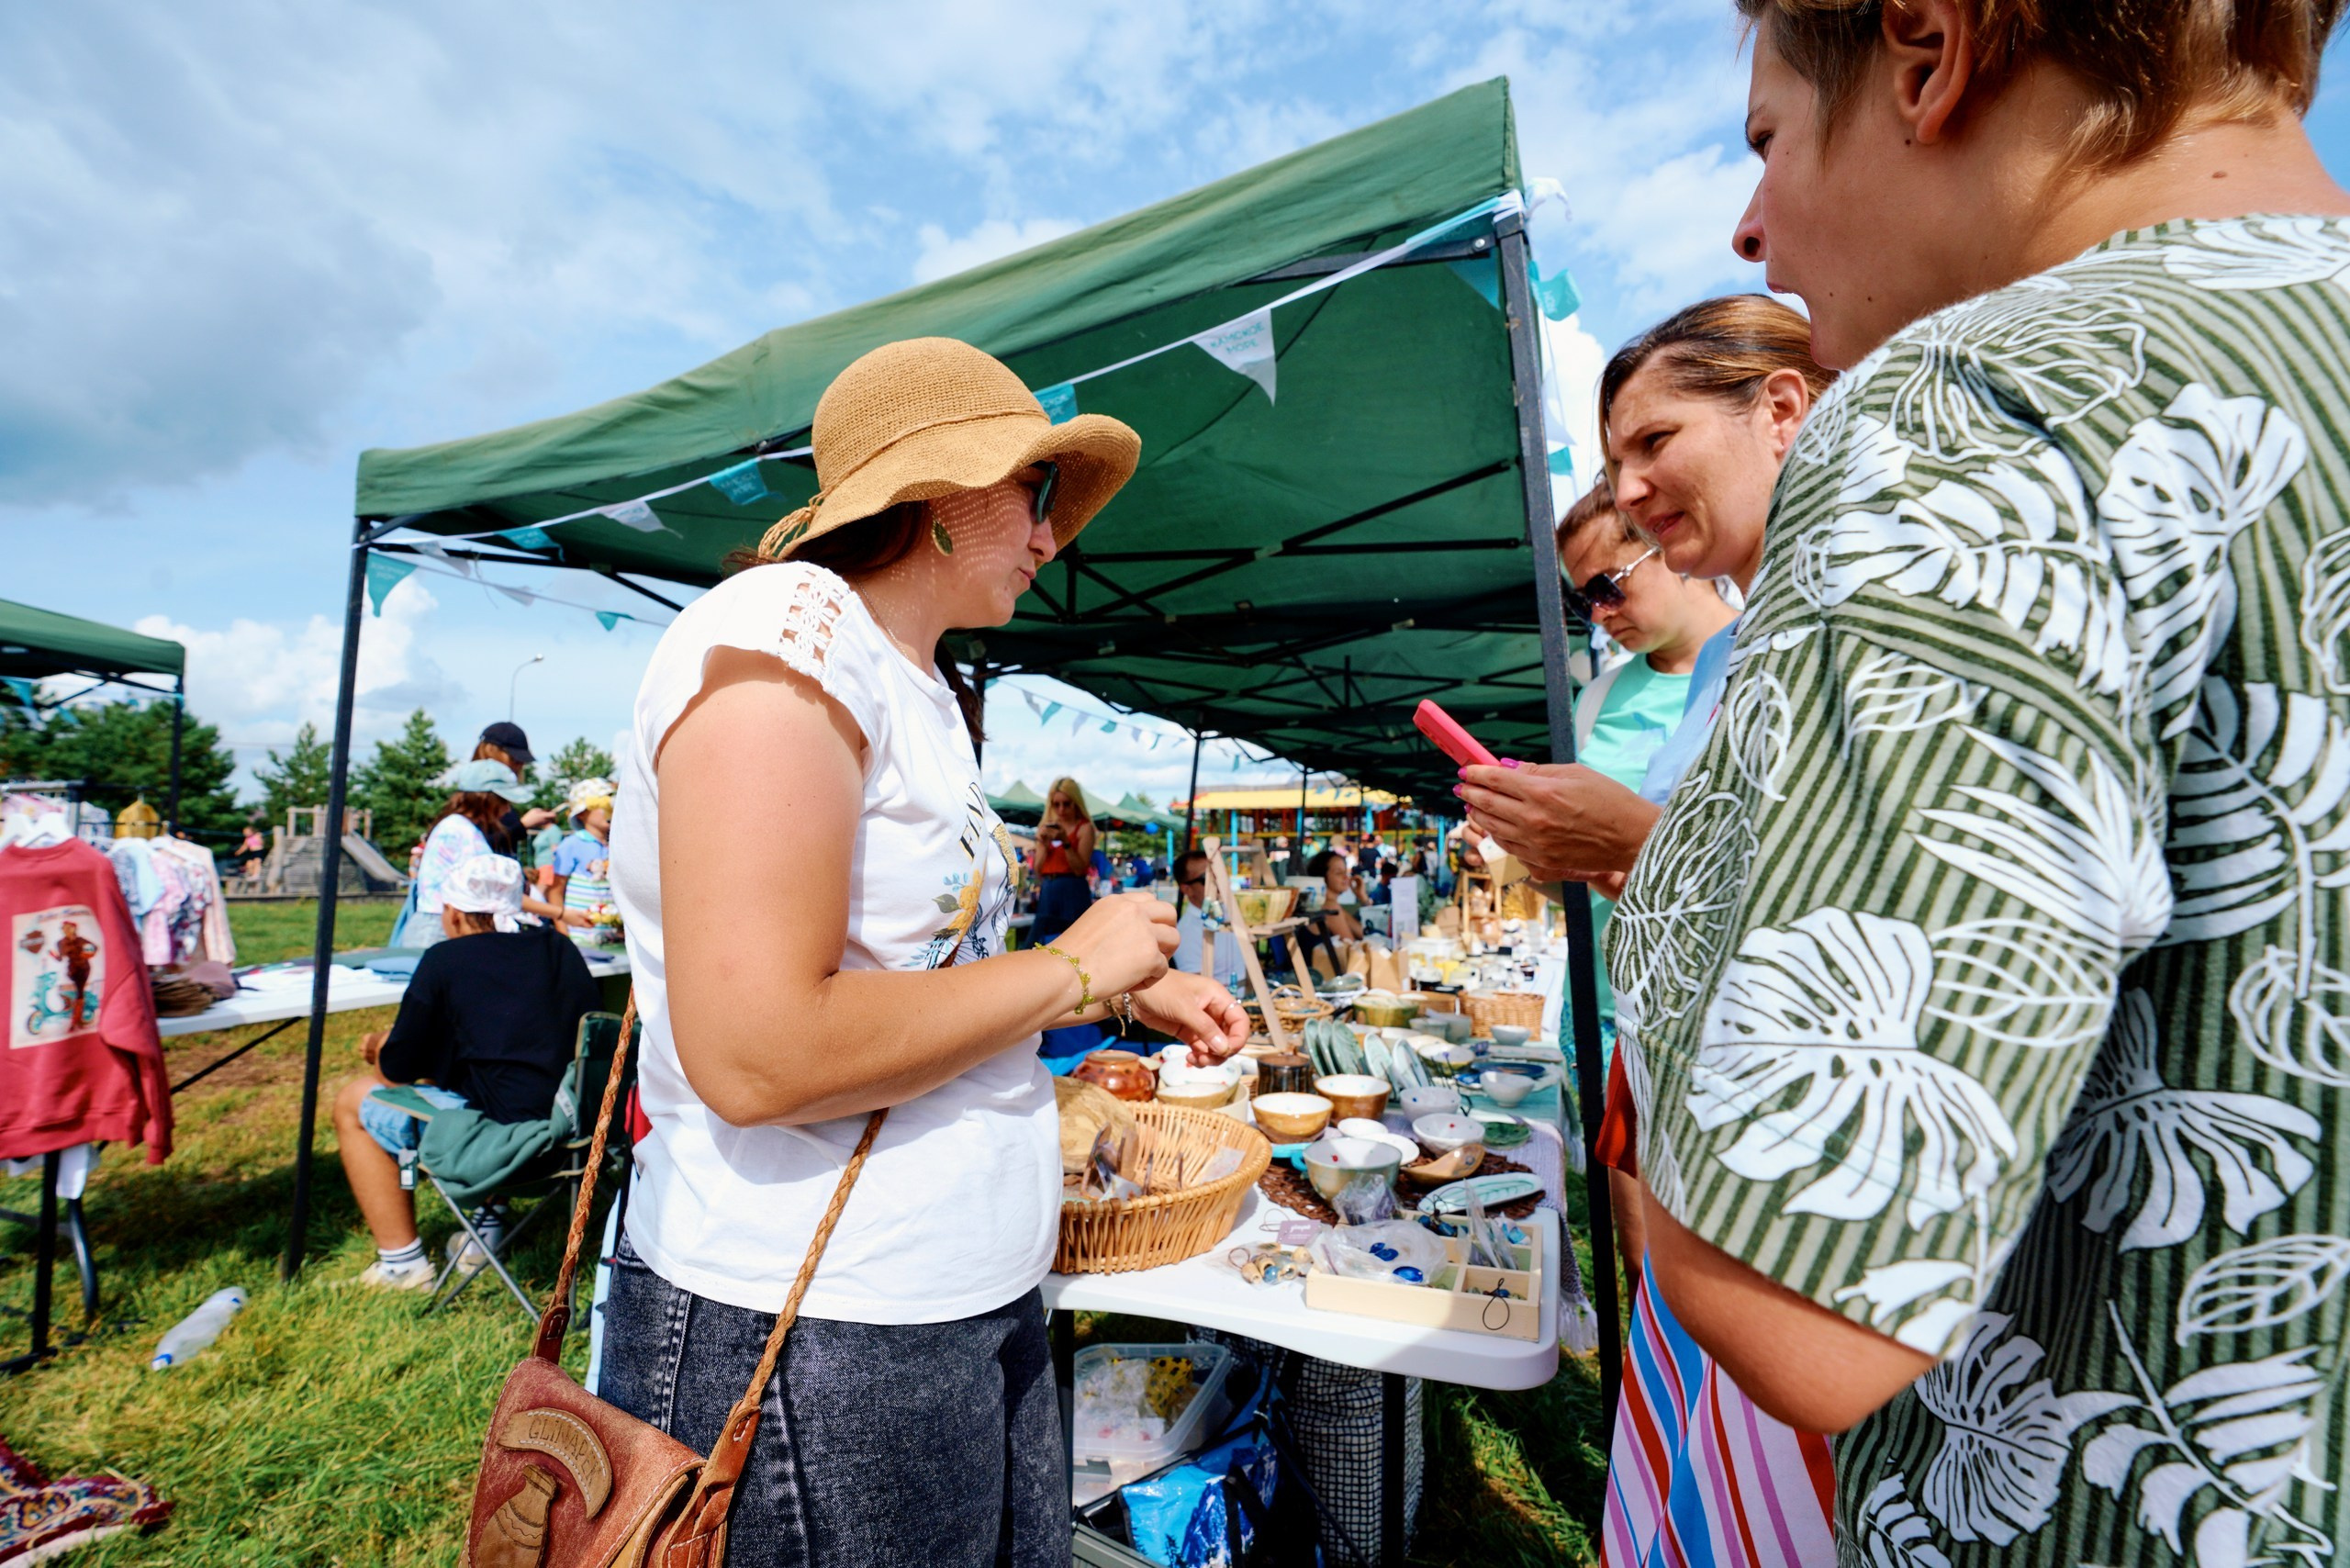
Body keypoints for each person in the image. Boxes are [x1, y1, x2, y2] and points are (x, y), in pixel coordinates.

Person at [1594, 4, 2350, 1563]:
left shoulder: (1989, 407)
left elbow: (1799, 1290)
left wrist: (1670, 893)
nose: (1753, 223)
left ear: (1929, 55)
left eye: (1770, 137)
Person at [599, 337, 1248, 1566]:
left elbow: (913, 976)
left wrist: (1132, 985)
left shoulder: (915, 683)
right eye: (1033, 494)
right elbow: (759, 1052)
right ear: (942, 497)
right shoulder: (786, 629)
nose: (1052, 537)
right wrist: (1073, 972)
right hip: (818, 1326)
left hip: (944, 1298)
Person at [1459, 297, 1836, 1568]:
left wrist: (1622, 841)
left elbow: (1825, 906)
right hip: (1699, 1103)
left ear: (1780, 410)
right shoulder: (1740, 653)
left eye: (1650, 447)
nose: (1627, 488)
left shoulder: (1828, 617)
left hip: (1775, 1150)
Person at [332, 855, 600, 1288]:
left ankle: (402, 1263)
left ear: (454, 913)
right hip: (578, 1135)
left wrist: (380, 1045)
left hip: (505, 1144)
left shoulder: (444, 959)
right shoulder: (559, 949)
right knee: (497, 1085)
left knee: (353, 1100)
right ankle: (486, 1232)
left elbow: (396, 1072)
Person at [1556, 476, 1739, 1046]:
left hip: (1717, 1012)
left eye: (1607, 587)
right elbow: (1593, 878)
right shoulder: (1596, 700)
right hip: (1602, 1002)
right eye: (1583, 599)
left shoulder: (1768, 659)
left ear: (1667, 542)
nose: (1599, 614)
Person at [388, 759, 536, 948]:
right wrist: (559, 913)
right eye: (504, 801)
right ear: (486, 800)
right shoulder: (462, 832)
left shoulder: (457, 826)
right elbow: (489, 893)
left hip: (438, 925)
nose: (508, 809)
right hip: (440, 929)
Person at [1031, 775, 1096, 946]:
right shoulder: (1047, 827)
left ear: (1076, 803)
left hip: (1073, 889)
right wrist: (1043, 845)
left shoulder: (1085, 828)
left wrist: (1066, 842)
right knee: (1041, 943)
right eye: (1056, 804)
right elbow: (1038, 871)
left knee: (1076, 943)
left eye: (1066, 804)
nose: (1061, 810)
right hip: (1049, 888)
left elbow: (1080, 869)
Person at [545, 776, 614, 930]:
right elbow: (555, 891)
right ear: (582, 814)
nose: (610, 810)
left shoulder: (617, 844)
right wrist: (564, 933)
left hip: (612, 938)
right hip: (581, 937)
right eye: (602, 804)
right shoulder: (572, 844)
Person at [1170, 846, 1212, 972]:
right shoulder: (1185, 933)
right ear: (1187, 889)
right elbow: (1196, 986)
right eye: (1207, 878)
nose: (1216, 882)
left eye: (1218, 874)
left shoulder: (1231, 912)